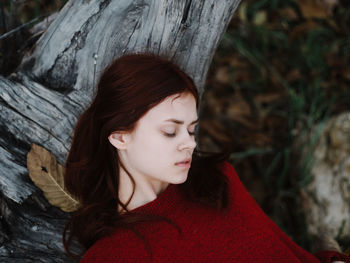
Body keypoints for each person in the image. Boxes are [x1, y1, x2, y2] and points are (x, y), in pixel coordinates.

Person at [63, 52, 350, 263]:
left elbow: (287, 254)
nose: (189, 143)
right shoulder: (111, 257)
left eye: (191, 129)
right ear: (119, 137)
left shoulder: (216, 182)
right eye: (170, 131)